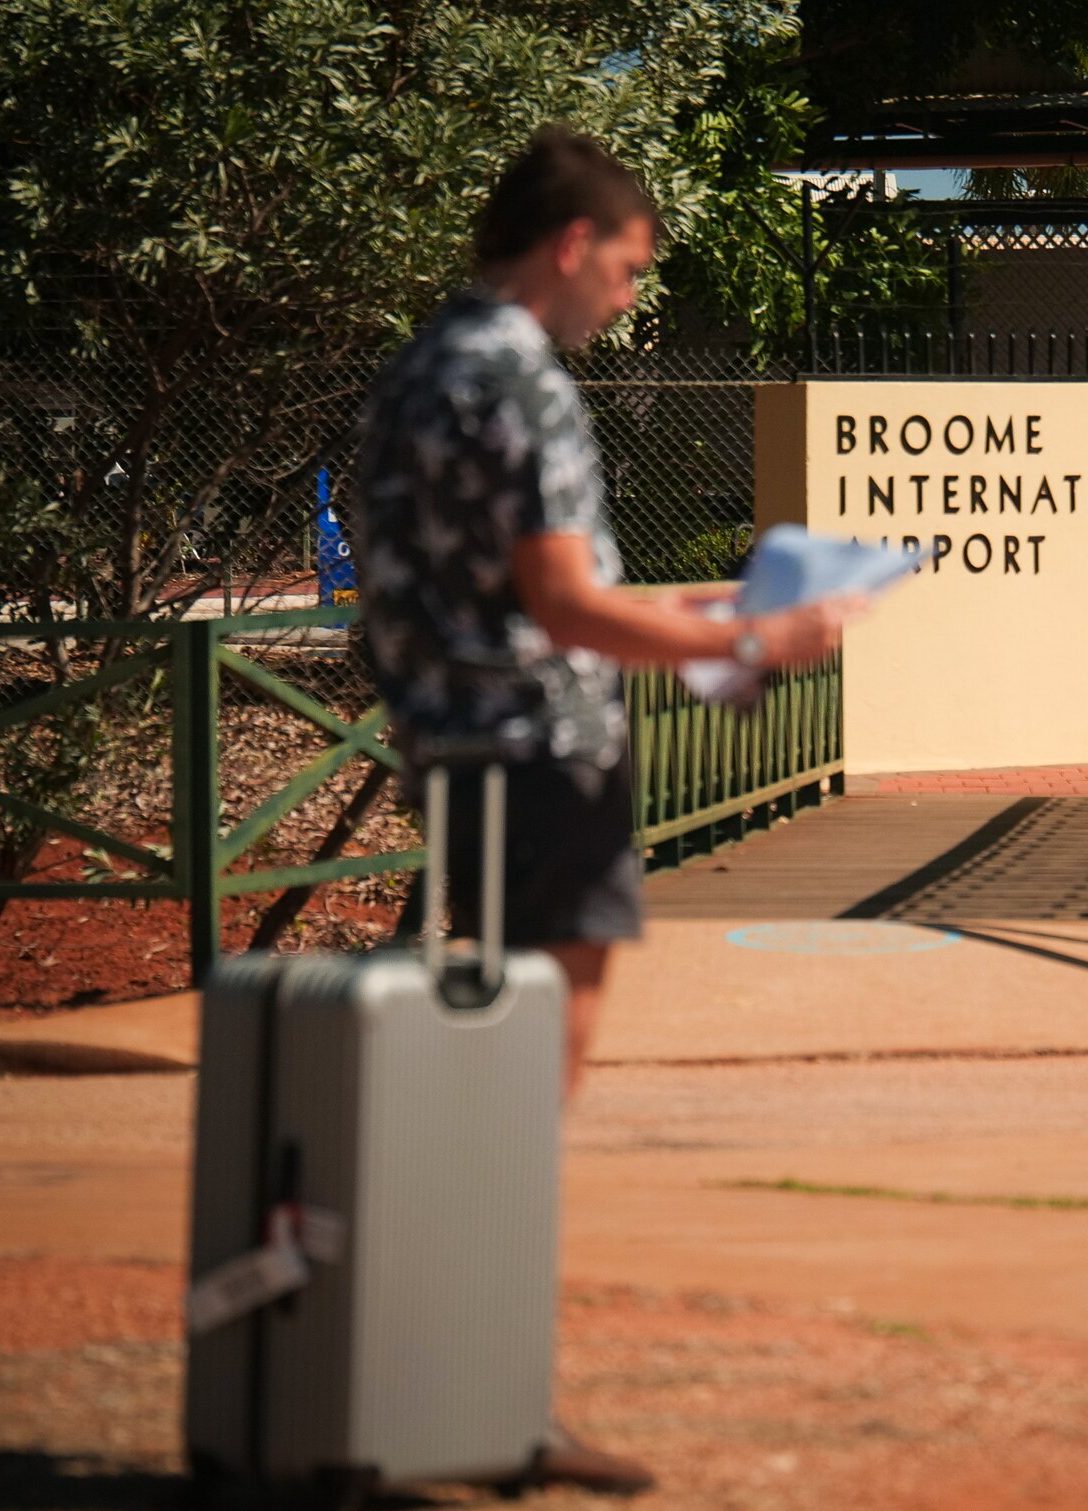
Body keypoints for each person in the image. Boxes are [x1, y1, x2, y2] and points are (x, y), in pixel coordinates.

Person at [351, 125, 855, 1495]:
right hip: (544, 764)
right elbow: (568, 609)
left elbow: (505, 599)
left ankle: (425, 1383)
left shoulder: (421, 370)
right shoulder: (525, 381)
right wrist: (755, 641)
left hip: (455, 757)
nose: (630, 298)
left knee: (471, 1074)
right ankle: (483, 1398)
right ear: (573, 245)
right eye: (628, 269)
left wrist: (717, 609)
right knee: (522, 1090)